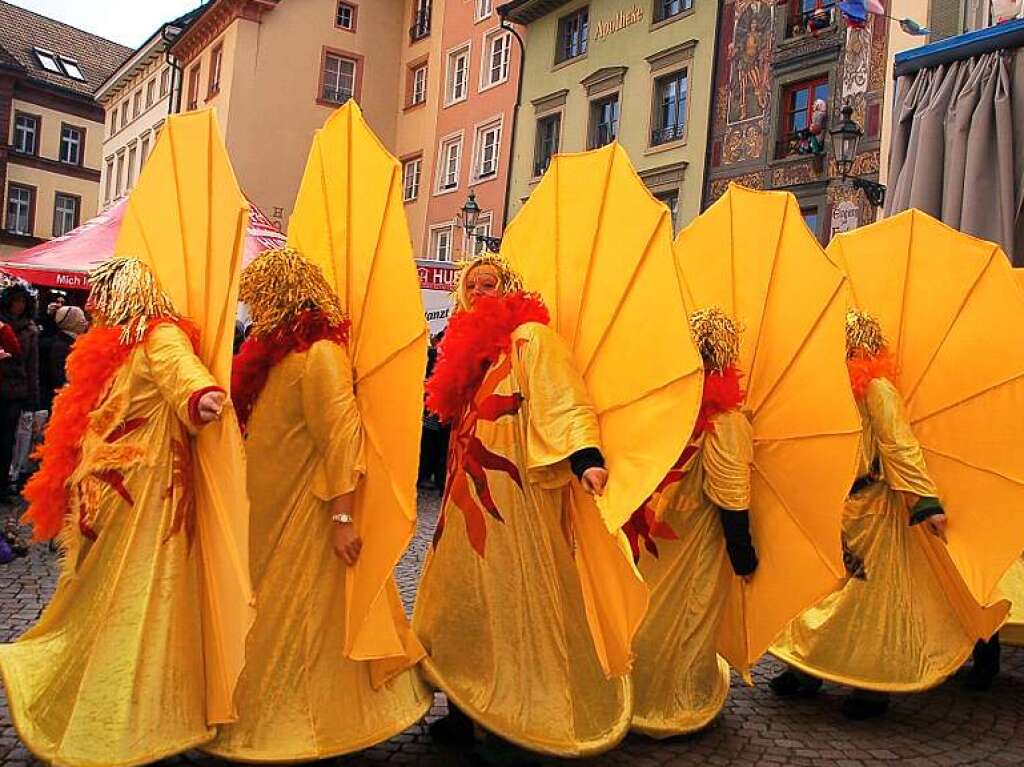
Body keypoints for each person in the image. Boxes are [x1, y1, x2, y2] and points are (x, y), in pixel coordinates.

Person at [0, 258, 232, 766]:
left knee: (136, 597)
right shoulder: (113, 346)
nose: (92, 304)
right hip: (106, 498)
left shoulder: (161, 336)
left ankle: (127, 716)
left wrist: (205, 396)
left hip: (149, 499)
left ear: (125, 293)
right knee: (95, 593)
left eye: (101, 294)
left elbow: (186, 377)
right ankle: (83, 689)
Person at [205, 247, 430, 762]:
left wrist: (343, 518)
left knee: (303, 622)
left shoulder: (320, 356)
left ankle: (312, 722)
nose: (250, 311)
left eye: (257, 299)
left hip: (308, 518)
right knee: (269, 615)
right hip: (264, 514)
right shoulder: (274, 356)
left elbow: (342, 443)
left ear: (280, 295)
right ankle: (266, 708)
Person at [413, 255, 625, 761]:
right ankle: (464, 711)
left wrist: (586, 458)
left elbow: (564, 400)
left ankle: (519, 720)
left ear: (509, 288)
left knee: (514, 607)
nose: (482, 290)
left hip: (516, 507)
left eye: (491, 283)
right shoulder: (466, 350)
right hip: (464, 505)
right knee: (460, 605)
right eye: (473, 284)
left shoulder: (532, 338)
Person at [770, 310, 997, 719]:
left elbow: (899, 445)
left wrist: (926, 502)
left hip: (871, 512)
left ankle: (868, 686)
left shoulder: (877, 390)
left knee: (867, 601)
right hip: (827, 505)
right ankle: (803, 669)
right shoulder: (818, 387)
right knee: (812, 589)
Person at [627, 308, 756, 737]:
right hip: (691, 538)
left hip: (650, 535)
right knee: (687, 617)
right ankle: (671, 702)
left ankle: (626, 695)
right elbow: (732, 492)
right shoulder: (727, 421)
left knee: (642, 612)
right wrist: (743, 552)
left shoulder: (658, 406)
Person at [0, 282, 39, 497]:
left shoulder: (30, 329)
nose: (19, 305)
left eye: (23, 301)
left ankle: (4, 483)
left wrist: (32, 401)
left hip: (15, 390)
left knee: (7, 440)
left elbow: (32, 366)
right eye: (16, 301)